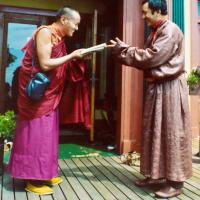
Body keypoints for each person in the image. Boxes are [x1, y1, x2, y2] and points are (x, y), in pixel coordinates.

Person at [109, 0, 192, 198]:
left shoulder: (170, 30)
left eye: (146, 12)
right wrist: (126, 49)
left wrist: (125, 50)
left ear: (157, 11)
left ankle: (175, 183)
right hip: (160, 87)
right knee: (154, 131)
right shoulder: (158, 30)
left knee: (171, 132)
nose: (143, 16)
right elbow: (150, 56)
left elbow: (151, 57)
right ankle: (155, 174)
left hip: (170, 89)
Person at [7, 7, 87, 195]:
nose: (76, 28)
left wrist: (75, 59)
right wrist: (72, 56)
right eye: (75, 24)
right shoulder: (45, 33)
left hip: (49, 95)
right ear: (64, 20)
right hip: (37, 97)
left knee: (47, 135)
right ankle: (32, 179)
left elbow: (58, 64)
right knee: (35, 135)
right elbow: (45, 63)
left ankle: (44, 173)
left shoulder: (59, 38)